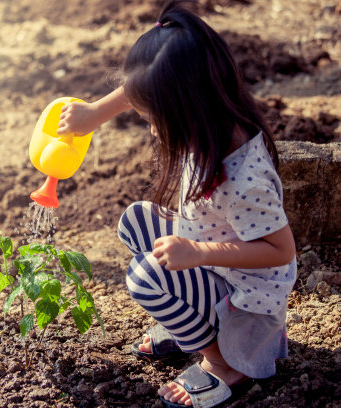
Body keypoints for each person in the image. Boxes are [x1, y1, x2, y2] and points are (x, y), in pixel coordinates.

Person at [56, 1, 297, 407]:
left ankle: (224, 361)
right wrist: (94, 114)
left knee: (144, 277)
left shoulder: (243, 179)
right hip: (215, 260)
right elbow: (141, 89)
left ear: (186, 106)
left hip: (247, 298)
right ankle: (194, 319)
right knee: (135, 222)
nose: (151, 127)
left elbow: (280, 251)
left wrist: (198, 252)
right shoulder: (206, 116)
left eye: (155, 118)